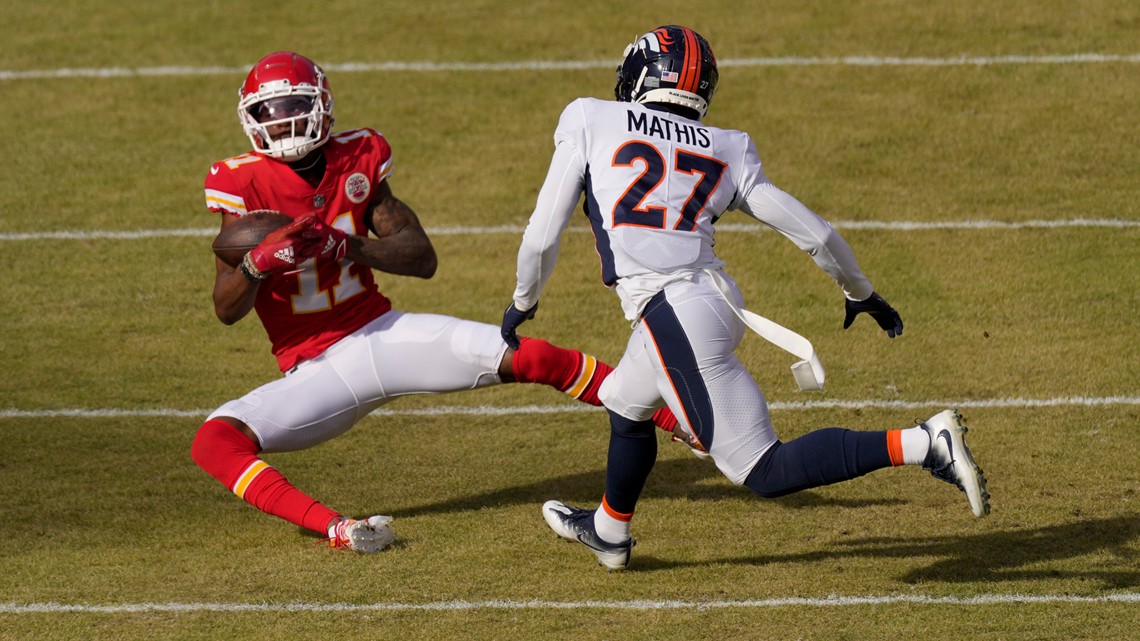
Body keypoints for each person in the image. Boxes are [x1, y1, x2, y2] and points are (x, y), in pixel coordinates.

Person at [501, 26, 991, 571]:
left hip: (673, 313)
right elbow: (815, 233)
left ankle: (926, 443)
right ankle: (609, 531)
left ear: (639, 73)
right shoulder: (727, 147)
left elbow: (543, 235)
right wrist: (860, 291)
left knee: (766, 470)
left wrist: (523, 301)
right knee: (624, 402)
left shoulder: (590, 118)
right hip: (708, 303)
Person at [190, 51, 689, 554]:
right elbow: (226, 308)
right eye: (270, 110)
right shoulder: (241, 183)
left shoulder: (356, 155)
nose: (284, 120)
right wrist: (257, 264)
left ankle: (683, 424)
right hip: (315, 367)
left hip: (382, 333)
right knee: (214, 439)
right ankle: (336, 528)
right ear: (251, 118)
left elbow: (420, 257)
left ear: (320, 103)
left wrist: (346, 244)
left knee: (534, 356)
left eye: (295, 104)